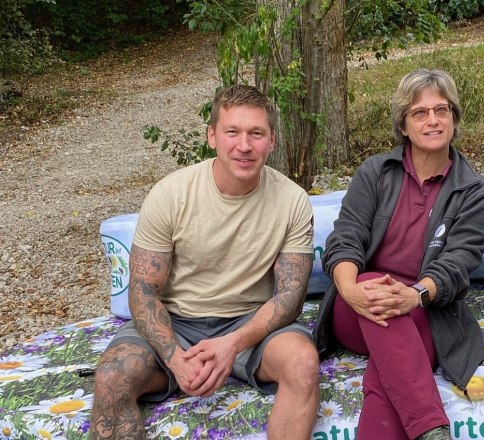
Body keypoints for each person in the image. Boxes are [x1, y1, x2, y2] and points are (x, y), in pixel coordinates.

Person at [90, 85, 320, 440]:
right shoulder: (171, 193)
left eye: (256, 133)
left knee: (303, 362)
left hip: (251, 322)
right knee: (112, 376)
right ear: (212, 136)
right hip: (176, 321)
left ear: (272, 140)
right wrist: (175, 358)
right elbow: (143, 290)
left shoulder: (292, 200)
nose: (244, 145)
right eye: (232, 132)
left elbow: (289, 298)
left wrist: (233, 343)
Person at [313, 68, 484, 440]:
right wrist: (350, 290)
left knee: (388, 374)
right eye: (419, 113)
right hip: (356, 305)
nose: (432, 120)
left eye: (441, 110)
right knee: (373, 285)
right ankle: (431, 427)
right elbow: (346, 237)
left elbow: (459, 262)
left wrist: (415, 295)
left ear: (454, 120)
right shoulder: (376, 172)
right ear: (404, 125)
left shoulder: (472, 190)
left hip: (424, 309)